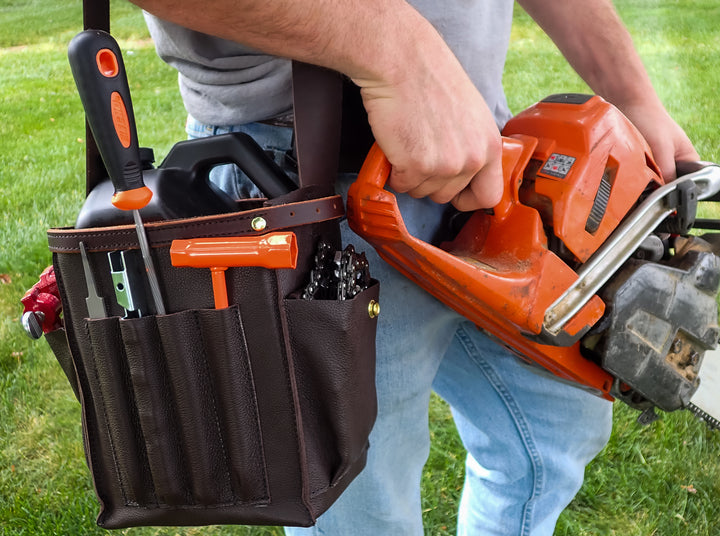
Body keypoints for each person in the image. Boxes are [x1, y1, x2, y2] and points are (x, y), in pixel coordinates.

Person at [130, 0, 700, 534]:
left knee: (555, 424)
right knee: (360, 505)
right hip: (300, 185)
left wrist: (631, 92)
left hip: (480, 157)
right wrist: (393, 47)